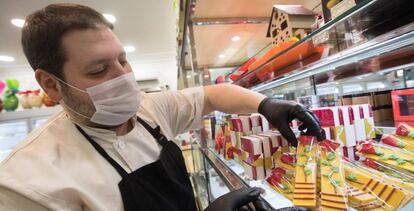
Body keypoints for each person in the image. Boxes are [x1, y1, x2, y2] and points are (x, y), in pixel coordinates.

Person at [0, 4, 323, 211]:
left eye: (123, 61)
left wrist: (266, 105)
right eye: (99, 71)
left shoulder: (149, 110)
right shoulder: (27, 184)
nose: (124, 78)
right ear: (51, 84)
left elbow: (212, 95)